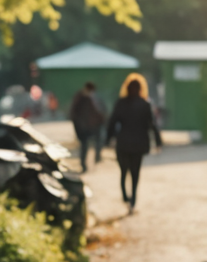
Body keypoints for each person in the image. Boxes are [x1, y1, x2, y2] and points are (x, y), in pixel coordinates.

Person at [107, 73, 163, 211]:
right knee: (135, 173)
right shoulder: (145, 104)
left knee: (123, 171)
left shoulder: (121, 103)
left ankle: (126, 197)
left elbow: (112, 122)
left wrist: (108, 139)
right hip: (139, 144)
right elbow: (152, 125)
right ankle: (132, 200)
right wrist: (158, 141)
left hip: (123, 143)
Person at [69, 80, 106, 170]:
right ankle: (83, 164)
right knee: (84, 145)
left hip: (87, 126)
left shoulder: (87, 98)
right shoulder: (82, 98)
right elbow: (74, 113)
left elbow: (94, 112)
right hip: (82, 127)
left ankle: (88, 161)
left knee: (87, 144)